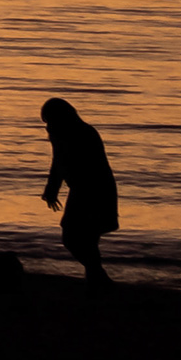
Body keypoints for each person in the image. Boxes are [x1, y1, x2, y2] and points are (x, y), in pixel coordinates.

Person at [39, 97, 118, 283]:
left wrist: (53, 190)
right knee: (78, 238)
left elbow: (85, 166)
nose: (48, 126)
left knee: (81, 237)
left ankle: (96, 277)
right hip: (81, 191)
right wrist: (51, 190)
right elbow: (57, 165)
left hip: (95, 190)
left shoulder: (83, 133)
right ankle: (97, 277)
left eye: (50, 120)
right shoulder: (61, 135)